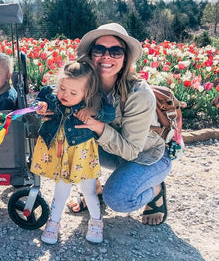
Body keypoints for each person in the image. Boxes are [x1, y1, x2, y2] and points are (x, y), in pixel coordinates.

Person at [68, 22, 171, 227]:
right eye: (99, 49)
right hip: (113, 151)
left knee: (118, 200)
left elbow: (132, 151)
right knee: (72, 136)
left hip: (147, 155)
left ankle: (156, 190)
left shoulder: (139, 94)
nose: (107, 56)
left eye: (115, 51)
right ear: (90, 54)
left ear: (125, 58)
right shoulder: (84, 84)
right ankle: (92, 188)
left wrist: (99, 127)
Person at [30, 60, 115, 244]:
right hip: (61, 153)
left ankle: (96, 221)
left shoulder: (92, 102)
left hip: (83, 154)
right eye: (62, 88)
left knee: (89, 190)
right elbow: (38, 101)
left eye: (73, 93)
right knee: (61, 190)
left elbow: (110, 114)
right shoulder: (51, 94)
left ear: (87, 93)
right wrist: (40, 107)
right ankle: (53, 223)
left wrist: (93, 111)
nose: (65, 95)